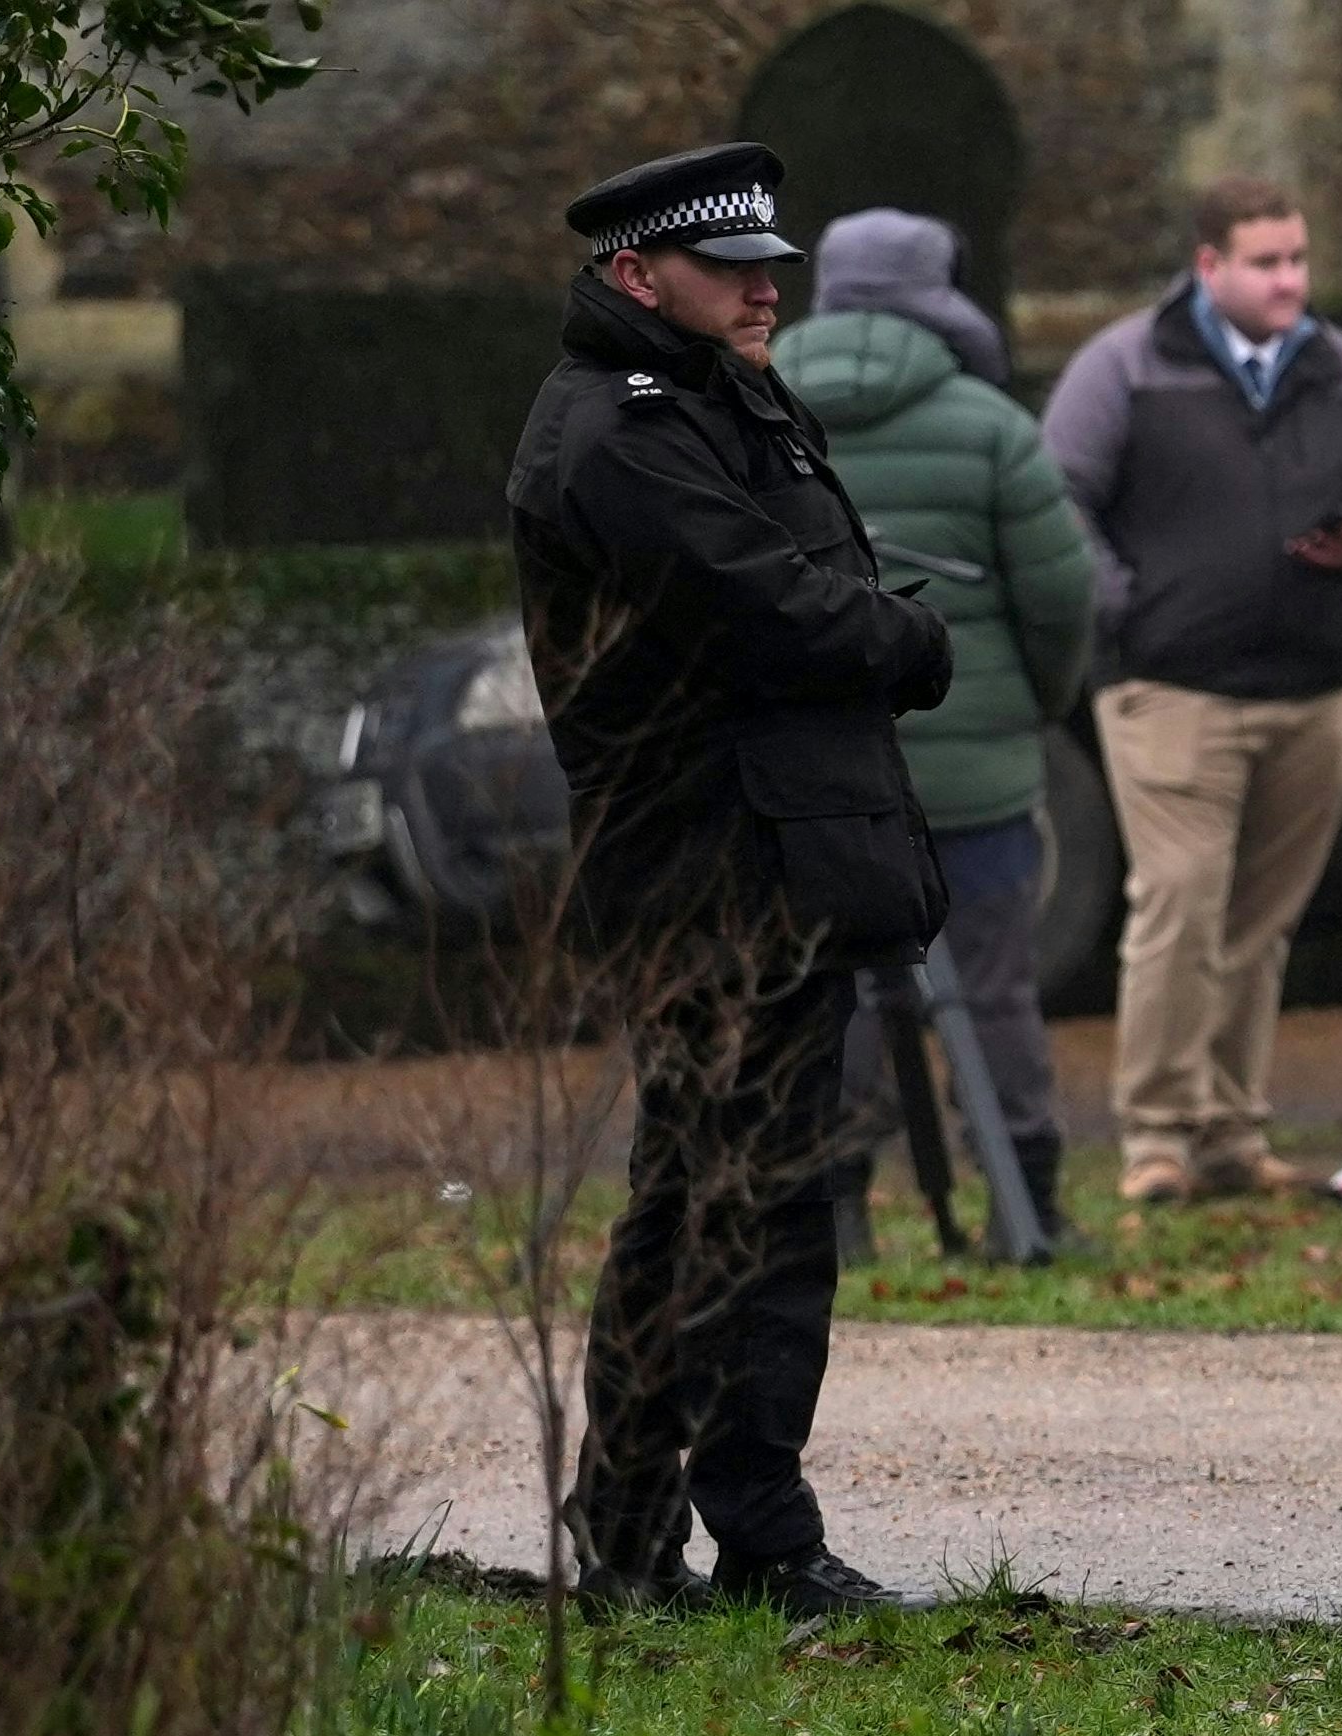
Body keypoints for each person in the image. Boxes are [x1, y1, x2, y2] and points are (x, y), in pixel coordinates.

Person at [505, 142, 954, 1619]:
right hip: (705, 878)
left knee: (746, 1202)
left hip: (774, 861)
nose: (767, 290)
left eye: (771, 266)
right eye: (732, 269)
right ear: (639, 275)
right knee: (718, 1203)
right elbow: (764, 609)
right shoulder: (617, 430)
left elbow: (803, 578)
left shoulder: (719, 391)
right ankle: (671, 1533)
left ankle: (704, 1528)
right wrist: (907, 641)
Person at [1041, 173, 1342, 1207]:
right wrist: (1127, 607)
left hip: (1312, 684)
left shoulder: (1340, 368)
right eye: (1266, 263)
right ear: (1208, 266)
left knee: (1262, 922)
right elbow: (1058, 494)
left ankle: (1229, 1130)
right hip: (1172, 688)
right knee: (1178, 902)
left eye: (1297, 259)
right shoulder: (1126, 365)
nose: (1289, 281)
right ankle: (1156, 1135)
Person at [772, 208, 1097, 1244]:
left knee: (835, 988)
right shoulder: (991, 426)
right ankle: (1022, 1202)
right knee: (994, 988)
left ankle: (837, 1216)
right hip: (978, 770)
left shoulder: (750, 419)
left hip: (817, 778)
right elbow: (1062, 599)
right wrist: (1031, 708)